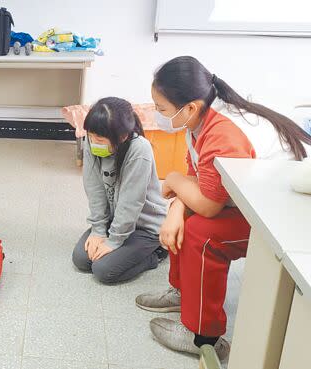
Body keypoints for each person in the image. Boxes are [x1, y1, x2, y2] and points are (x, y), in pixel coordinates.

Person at [135, 56, 311, 360]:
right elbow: (199, 184)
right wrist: (177, 207)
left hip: (290, 217)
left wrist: (175, 181)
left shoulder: (222, 133)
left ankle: (205, 338)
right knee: (183, 217)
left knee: (203, 234)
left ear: (189, 107)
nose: (158, 115)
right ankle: (184, 295)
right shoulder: (200, 118)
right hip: (253, 197)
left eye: (161, 109)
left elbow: (208, 205)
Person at [72, 97, 168, 284]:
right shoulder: (92, 143)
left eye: (99, 138)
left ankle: (155, 254)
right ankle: (121, 245)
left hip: (144, 227)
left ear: (122, 137)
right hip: (114, 220)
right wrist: (99, 231)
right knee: (82, 260)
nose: (92, 142)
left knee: (103, 270)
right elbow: (94, 189)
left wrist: (113, 241)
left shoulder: (139, 150)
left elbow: (131, 203)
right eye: (90, 135)